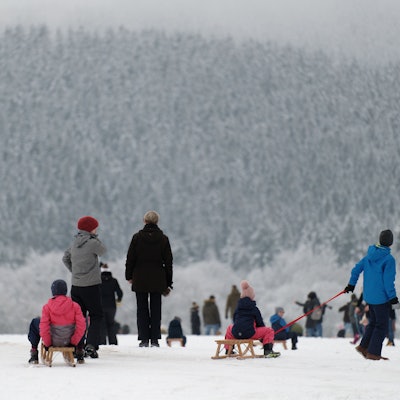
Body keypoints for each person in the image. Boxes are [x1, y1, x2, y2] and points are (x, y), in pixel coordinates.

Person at [344, 229, 399, 360]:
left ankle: (363, 346)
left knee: (373, 322)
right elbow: (388, 281)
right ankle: (373, 353)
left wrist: (351, 284)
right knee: (381, 325)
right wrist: (393, 298)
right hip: (381, 298)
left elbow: (356, 270)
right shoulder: (389, 259)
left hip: (369, 297)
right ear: (390, 242)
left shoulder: (369, 256)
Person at [125, 210, 173, 348]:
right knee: (156, 309)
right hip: (158, 278)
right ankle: (155, 339)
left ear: (144, 221)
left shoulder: (137, 238)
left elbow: (130, 259)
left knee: (142, 309)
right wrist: (168, 282)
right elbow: (169, 262)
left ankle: (144, 339)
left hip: (139, 277)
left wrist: (129, 276)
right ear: (157, 221)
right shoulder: (163, 239)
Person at [62, 215, 106, 358]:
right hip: (91, 285)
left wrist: (74, 271)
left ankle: (78, 346)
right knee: (96, 315)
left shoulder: (74, 243)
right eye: (95, 228)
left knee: (79, 317)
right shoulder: (93, 243)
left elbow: (65, 258)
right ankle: (91, 346)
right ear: (91, 229)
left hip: (76, 286)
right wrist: (95, 238)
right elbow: (103, 251)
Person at [27, 279, 86, 364]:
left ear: (53, 291)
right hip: (69, 340)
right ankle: (79, 350)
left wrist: (47, 343)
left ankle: (34, 352)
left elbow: (44, 327)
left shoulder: (47, 307)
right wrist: (74, 342)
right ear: (65, 291)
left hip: (53, 340)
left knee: (35, 322)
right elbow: (81, 326)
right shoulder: (75, 306)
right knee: (82, 322)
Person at [224, 280, 280, 357]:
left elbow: (234, 320)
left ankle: (228, 350)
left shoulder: (237, 308)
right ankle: (268, 350)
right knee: (269, 330)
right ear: (252, 296)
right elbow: (260, 323)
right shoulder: (254, 309)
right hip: (250, 333)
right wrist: (261, 336)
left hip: (236, 333)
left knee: (229, 328)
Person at [99, 264, 123, 345]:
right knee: (111, 324)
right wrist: (118, 300)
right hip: (112, 306)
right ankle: (113, 342)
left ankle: (102, 342)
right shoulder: (114, 281)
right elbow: (120, 293)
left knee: (102, 325)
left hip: (101, 306)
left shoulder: (98, 281)